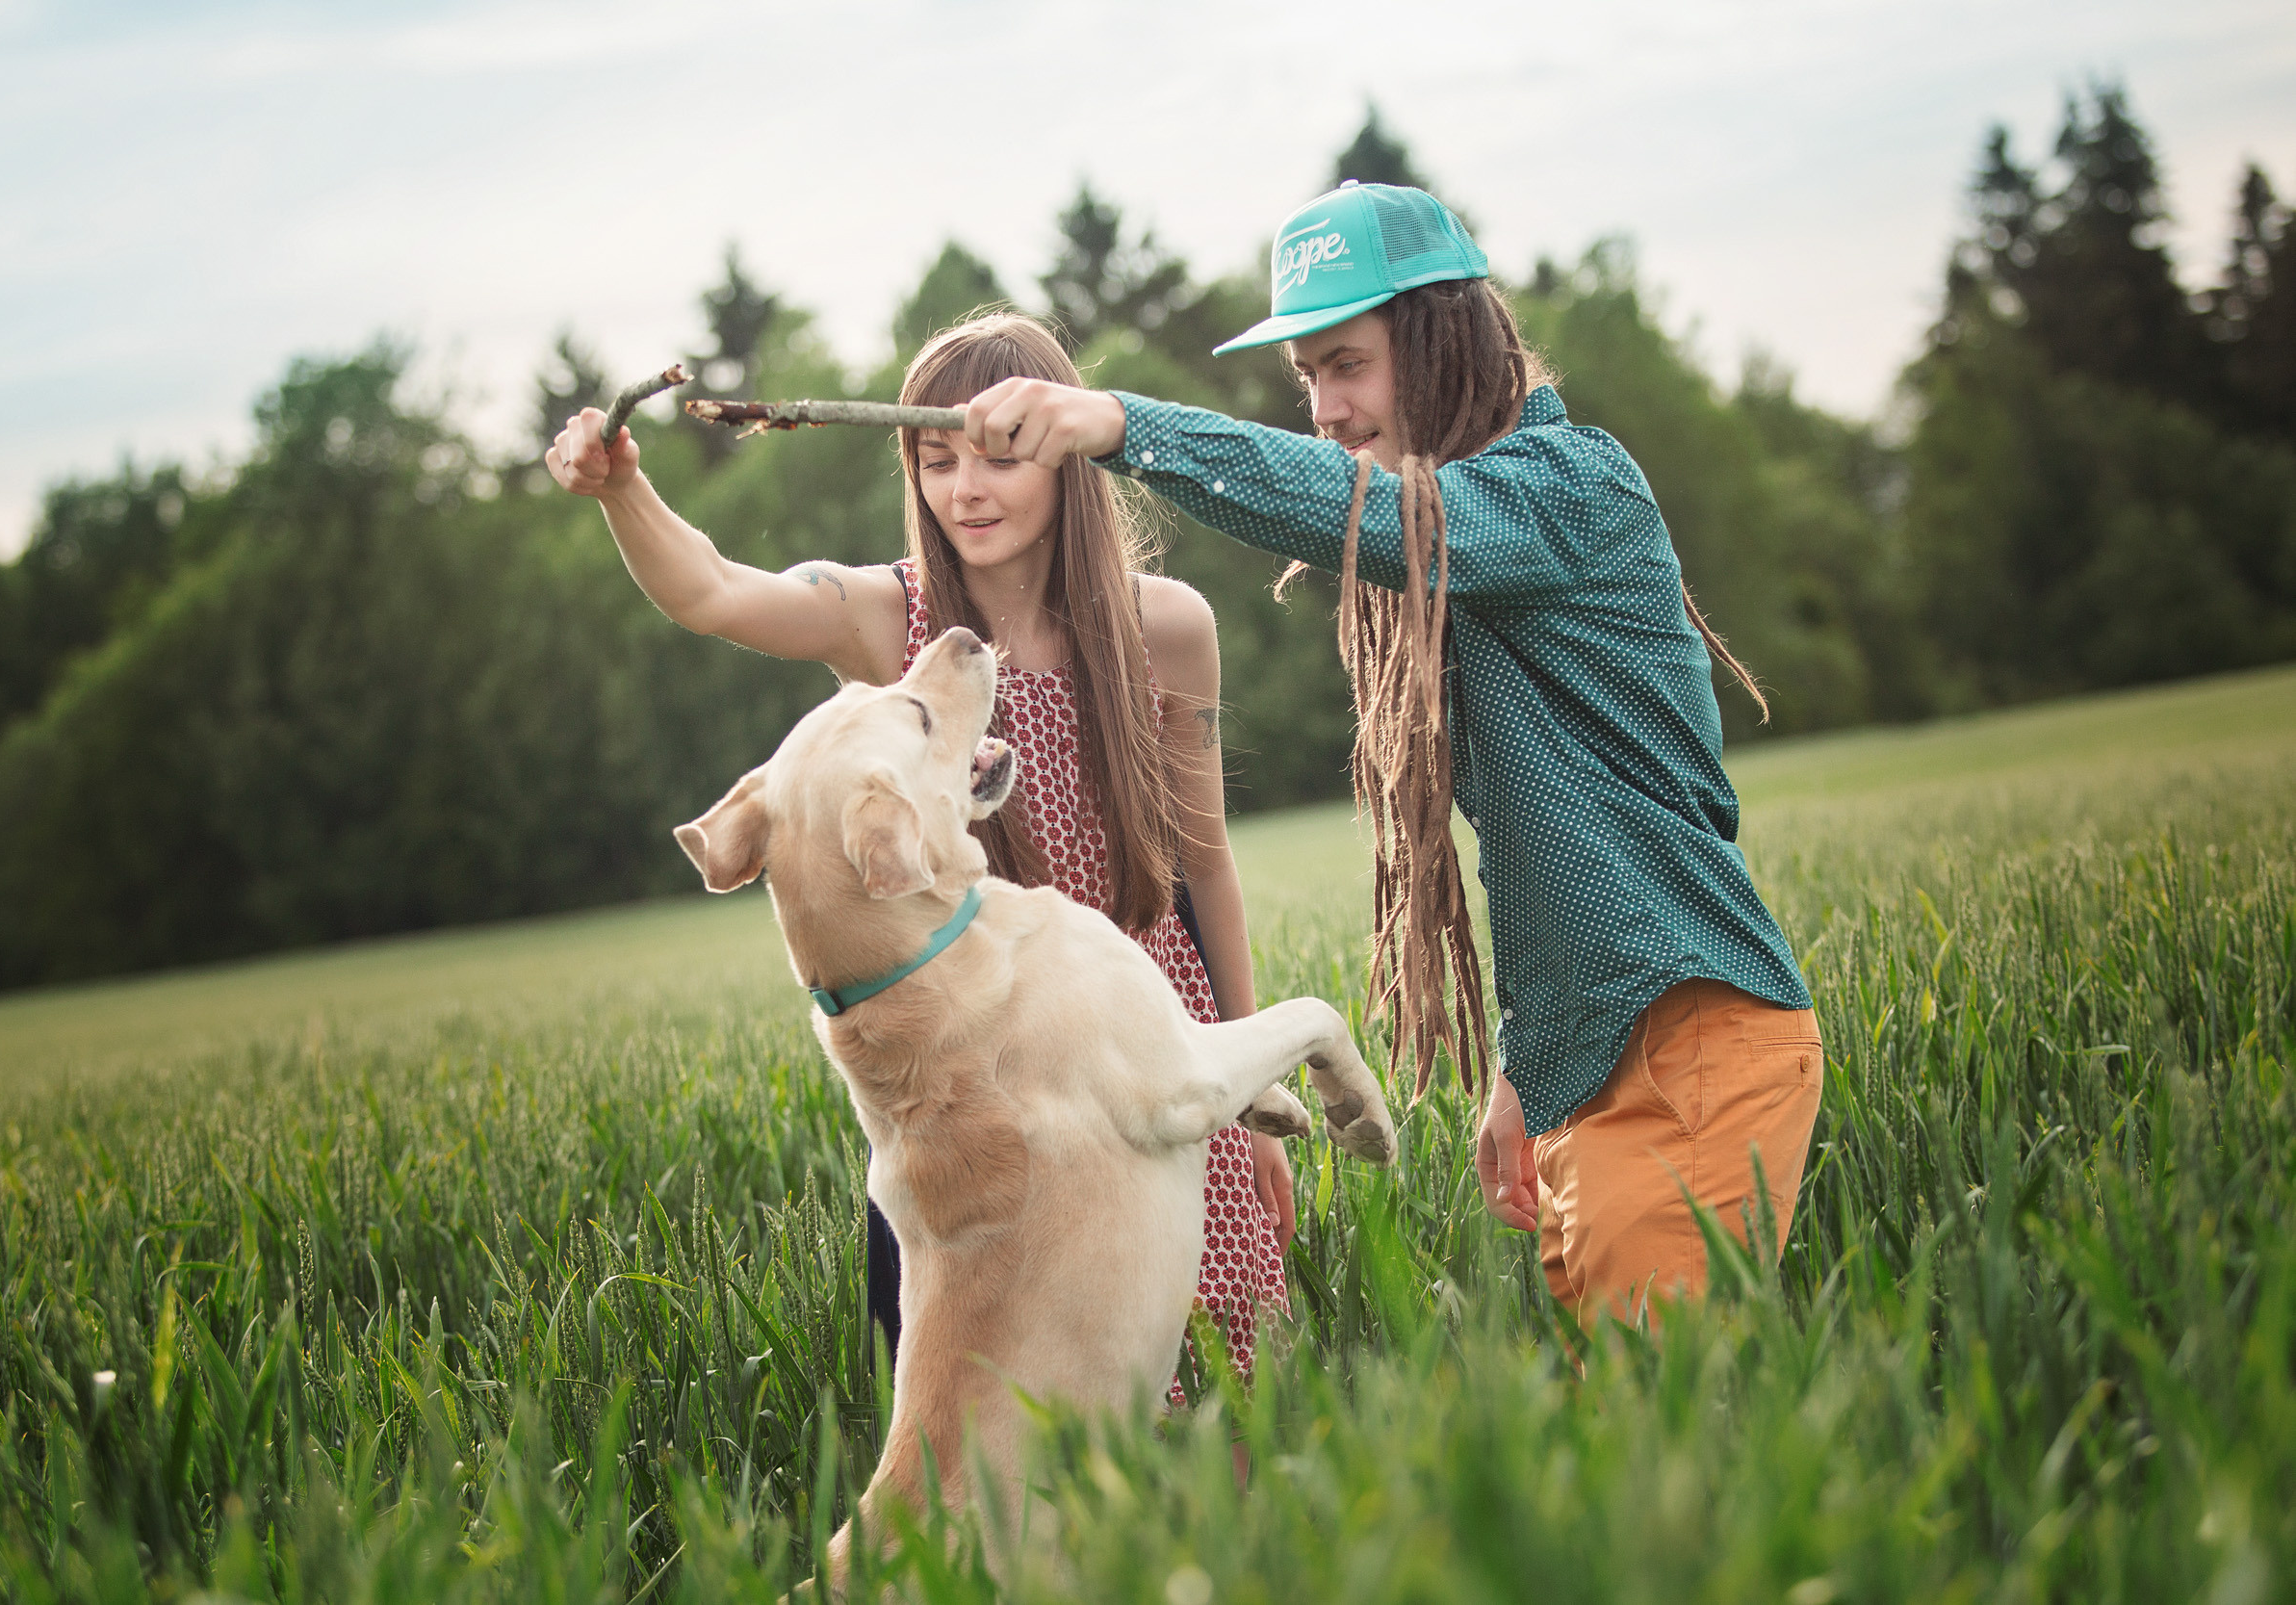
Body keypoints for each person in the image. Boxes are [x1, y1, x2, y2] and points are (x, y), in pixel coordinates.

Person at [955, 184, 1823, 1325]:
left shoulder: (1570, 492)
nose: (1323, 405)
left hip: (1693, 1046)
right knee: (1623, 1443)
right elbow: (1546, 844)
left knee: (1661, 1434)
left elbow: (1371, 512)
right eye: (1307, 374)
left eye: (1346, 364)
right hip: (1598, 1060)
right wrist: (1528, 1063)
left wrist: (1123, 425)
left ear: (1440, 339)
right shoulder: (1483, 544)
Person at [545, 311, 1296, 1386]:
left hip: (1151, 1045)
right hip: (984, 1074)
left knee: (1217, 1384)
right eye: (935, 461)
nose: (966, 490)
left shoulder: (1165, 625)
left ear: (1069, 449)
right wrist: (623, 485)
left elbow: (1205, 865)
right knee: (1017, 1398)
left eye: (999, 454)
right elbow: (710, 590)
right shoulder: (884, 619)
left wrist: (1249, 1096)